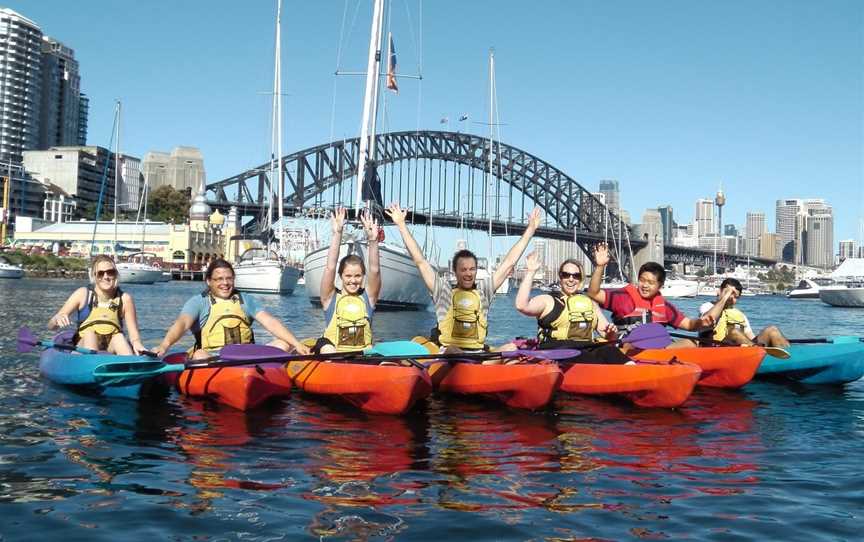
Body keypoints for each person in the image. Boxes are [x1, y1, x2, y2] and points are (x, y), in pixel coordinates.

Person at [386, 202, 542, 353]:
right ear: (455, 271)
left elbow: (508, 263)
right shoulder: (442, 291)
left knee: (511, 348)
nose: (468, 274)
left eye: (472, 269)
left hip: (478, 354)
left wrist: (531, 229)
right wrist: (401, 225)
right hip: (450, 356)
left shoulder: (484, 292)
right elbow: (420, 261)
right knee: (453, 350)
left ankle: (486, 368)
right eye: (464, 270)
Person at [154, 258, 310, 359]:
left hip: (246, 354)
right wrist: (164, 345)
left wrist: (296, 343)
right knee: (199, 355)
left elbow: (270, 322)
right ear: (209, 281)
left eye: (229, 278)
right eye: (219, 279)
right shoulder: (198, 302)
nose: (225, 283)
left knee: (283, 344)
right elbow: (182, 324)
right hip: (214, 356)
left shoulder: (244, 299)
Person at [515, 251, 633, 363]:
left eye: (576, 276)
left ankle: (631, 372)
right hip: (556, 350)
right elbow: (522, 306)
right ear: (560, 278)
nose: (571, 279)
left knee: (610, 351)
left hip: (585, 347)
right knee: (584, 356)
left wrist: (611, 332)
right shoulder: (548, 300)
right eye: (566, 275)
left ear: (580, 279)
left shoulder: (589, 303)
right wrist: (530, 272)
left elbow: (607, 335)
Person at [586, 243, 712, 348]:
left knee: (691, 343)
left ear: (660, 285)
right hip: (629, 350)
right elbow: (593, 293)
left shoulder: (665, 307)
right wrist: (600, 266)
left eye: (650, 283)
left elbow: (689, 325)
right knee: (635, 343)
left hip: (658, 352)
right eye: (642, 280)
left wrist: (701, 322)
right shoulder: (623, 297)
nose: (645, 285)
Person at [313, 207, 381, 354]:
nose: (353, 281)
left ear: (363, 276)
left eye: (357, 276)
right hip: (332, 352)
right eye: (348, 276)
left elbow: (375, 270)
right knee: (328, 349)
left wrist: (373, 240)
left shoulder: (368, 298)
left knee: (373, 351)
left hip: (361, 354)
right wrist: (337, 233)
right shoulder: (329, 298)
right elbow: (330, 267)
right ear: (341, 276)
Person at [48, 255, 146, 355]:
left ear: (116, 275)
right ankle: (90, 364)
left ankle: (129, 365)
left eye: (110, 272)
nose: (106, 277)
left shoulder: (125, 299)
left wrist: (137, 344)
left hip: (111, 344)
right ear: (94, 276)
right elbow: (51, 326)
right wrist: (57, 319)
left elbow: (134, 336)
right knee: (90, 335)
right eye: (100, 273)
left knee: (119, 337)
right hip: (84, 342)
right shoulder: (82, 294)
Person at [699, 278, 790, 348]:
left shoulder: (740, 315)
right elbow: (708, 319)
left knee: (772, 330)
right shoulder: (707, 306)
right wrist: (725, 296)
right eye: (729, 294)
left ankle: (790, 358)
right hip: (716, 348)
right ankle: (757, 352)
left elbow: (750, 337)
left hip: (743, 350)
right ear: (719, 291)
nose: (731, 299)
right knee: (734, 332)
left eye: (736, 297)